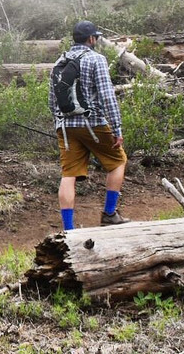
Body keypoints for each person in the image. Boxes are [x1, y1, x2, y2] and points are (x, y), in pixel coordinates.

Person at [49, 21, 129, 230]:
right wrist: (117, 128)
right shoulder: (96, 60)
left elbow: (52, 101)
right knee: (118, 161)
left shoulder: (59, 62)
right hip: (93, 124)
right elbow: (107, 96)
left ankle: (68, 230)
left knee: (68, 175)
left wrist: (59, 125)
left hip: (65, 128)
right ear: (91, 39)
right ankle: (109, 214)